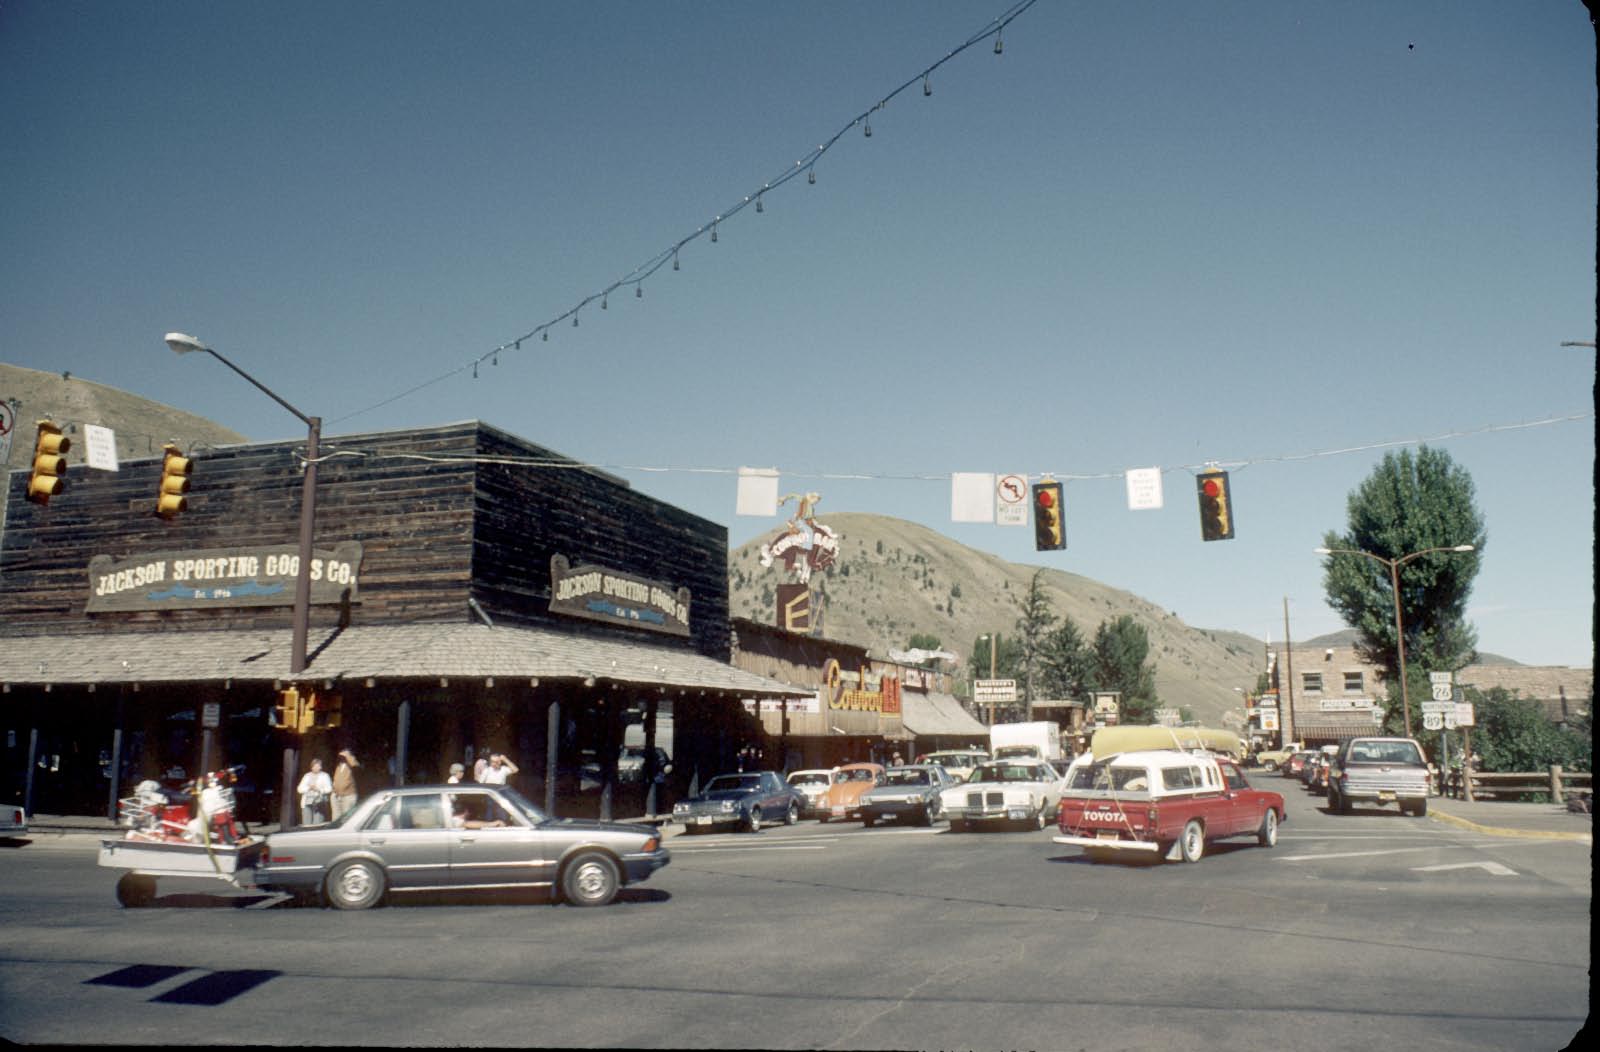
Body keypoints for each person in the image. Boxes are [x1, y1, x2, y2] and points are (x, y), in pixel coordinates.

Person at [297, 758, 332, 826]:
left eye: (318, 766)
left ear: (320, 767)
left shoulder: (325, 775)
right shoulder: (306, 776)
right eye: (314, 766)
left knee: (317, 825)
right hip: (307, 803)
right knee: (306, 825)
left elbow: (329, 789)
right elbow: (299, 789)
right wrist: (309, 788)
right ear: (311, 767)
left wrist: (319, 789)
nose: (316, 768)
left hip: (319, 803)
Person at [331, 749, 360, 820]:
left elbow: (355, 766)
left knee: (346, 819)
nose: (342, 756)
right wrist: (334, 792)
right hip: (337, 796)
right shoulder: (339, 766)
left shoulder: (352, 764)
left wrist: (347, 755)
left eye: (344, 755)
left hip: (348, 796)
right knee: (336, 819)